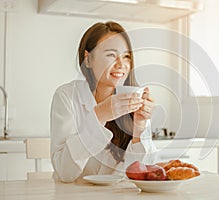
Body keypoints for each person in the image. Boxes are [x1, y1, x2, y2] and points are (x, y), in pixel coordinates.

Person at [50, 21, 156, 182]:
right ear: (88, 60)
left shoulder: (136, 97)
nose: (121, 64)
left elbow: (139, 175)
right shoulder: (67, 96)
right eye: (111, 55)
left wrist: (139, 131)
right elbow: (65, 173)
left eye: (126, 56)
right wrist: (99, 116)